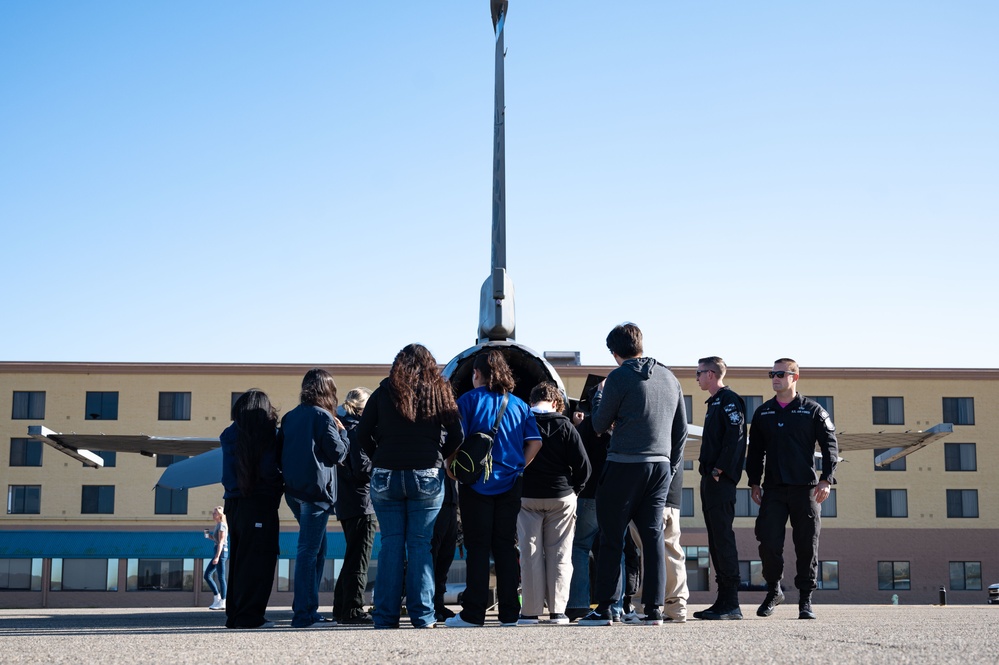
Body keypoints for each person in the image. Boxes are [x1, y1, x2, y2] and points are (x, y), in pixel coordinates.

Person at [580, 323, 687, 627]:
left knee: (612, 536)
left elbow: (600, 425)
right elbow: (680, 428)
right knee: (652, 536)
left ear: (614, 352)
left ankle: (605, 609)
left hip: (624, 464)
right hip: (661, 466)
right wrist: (672, 464)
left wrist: (598, 397)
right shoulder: (669, 377)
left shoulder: (618, 377)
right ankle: (653, 610)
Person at [357, 344, 464, 629]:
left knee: (391, 545)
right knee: (420, 546)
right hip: (427, 474)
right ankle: (423, 616)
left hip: (385, 475)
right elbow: (458, 434)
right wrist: (438, 455)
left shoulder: (382, 393)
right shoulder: (440, 392)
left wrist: (379, 454)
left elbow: (362, 433)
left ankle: (385, 617)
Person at [444, 350, 542, 628]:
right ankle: (510, 614)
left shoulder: (467, 401)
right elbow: (535, 443)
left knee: (477, 548)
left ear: (476, 374)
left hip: (476, 485)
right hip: (511, 484)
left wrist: (453, 469)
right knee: (506, 548)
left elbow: (453, 441)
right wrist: (517, 466)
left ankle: (474, 613)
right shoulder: (520, 405)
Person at [747, 358, 838, 620]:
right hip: (773, 490)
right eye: (771, 374)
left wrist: (826, 479)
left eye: (780, 374)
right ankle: (774, 590)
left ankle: (805, 600)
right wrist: (754, 481)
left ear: (794, 377)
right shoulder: (763, 412)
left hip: (806, 490)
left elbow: (830, 446)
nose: (775, 378)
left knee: (807, 545)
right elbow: (755, 452)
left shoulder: (813, 410)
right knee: (768, 543)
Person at [280, 368, 350, 629]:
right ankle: (304, 615)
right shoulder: (324, 418)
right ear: (327, 391)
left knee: (318, 550)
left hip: (295, 493)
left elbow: (280, 454)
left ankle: (309, 610)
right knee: (309, 552)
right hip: (316, 495)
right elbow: (338, 455)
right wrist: (343, 433)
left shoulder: (289, 417)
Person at [517, 381, 591, 625]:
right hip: (561, 497)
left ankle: (529, 612)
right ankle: (558, 612)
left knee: (530, 555)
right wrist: (575, 492)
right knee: (560, 554)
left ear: (531, 401)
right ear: (556, 403)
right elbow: (583, 467)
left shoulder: (522, 423)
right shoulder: (566, 426)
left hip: (527, 496)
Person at [220, 389, 283, 630]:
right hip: (259, 503)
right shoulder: (268, 435)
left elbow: (228, 475)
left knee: (239, 560)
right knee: (259, 560)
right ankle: (250, 617)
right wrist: (280, 483)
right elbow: (268, 470)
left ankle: (235, 615)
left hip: (234, 503)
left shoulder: (229, 434)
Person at [692, 356, 747, 620]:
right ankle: (722, 600)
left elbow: (736, 437)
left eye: (699, 373)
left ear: (711, 374)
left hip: (719, 480)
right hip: (710, 479)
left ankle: (731, 603)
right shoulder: (714, 402)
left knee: (723, 537)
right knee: (715, 538)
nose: (697, 378)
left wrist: (719, 470)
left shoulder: (728, 400)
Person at [332, 387, 376, 625]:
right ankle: (353, 609)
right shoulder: (359, 430)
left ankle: (341, 607)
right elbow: (362, 469)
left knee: (351, 557)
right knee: (359, 559)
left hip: (346, 501)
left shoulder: (342, 428)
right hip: (362, 502)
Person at [565, 405, 608, 621]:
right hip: (614, 497)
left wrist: (578, 426)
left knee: (580, 547)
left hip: (589, 495)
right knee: (612, 549)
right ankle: (614, 606)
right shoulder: (623, 424)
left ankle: (578, 603)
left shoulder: (589, 426)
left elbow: (579, 453)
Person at [430, 471, 460, 623]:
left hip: (451, 504)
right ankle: (430, 605)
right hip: (434, 502)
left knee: (445, 557)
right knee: (432, 558)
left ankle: (438, 603)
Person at [203, 506, 229, 611]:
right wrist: (209, 536)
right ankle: (217, 597)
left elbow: (222, 542)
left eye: (215, 513)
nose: (213, 515)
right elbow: (217, 540)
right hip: (218, 552)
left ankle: (223, 601)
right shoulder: (218, 525)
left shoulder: (222, 525)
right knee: (207, 575)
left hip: (221, 553)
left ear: (220, 515)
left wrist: (217, 556)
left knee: (221, 577)